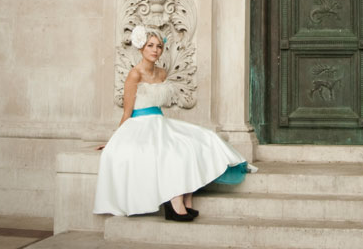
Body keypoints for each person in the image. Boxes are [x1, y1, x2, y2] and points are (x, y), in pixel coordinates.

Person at [93, 26, 251, 221]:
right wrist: (114, 140)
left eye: (159, 46)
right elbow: (127, 112)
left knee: (198, 140)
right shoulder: (134, 74)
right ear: (141, 47)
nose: (155, 50)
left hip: (159, 121)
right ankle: (174, 201)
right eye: (150, 45)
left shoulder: (162, 73)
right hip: (139, 125)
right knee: (171, 151)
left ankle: (186, 197)